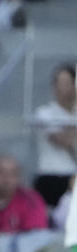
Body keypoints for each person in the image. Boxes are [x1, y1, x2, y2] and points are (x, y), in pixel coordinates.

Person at [32, 63, 77, 207]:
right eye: (57, 83)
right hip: (50, 177)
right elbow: (64, 141)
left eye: (65, 83)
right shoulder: (44, 113)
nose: (60, 88)